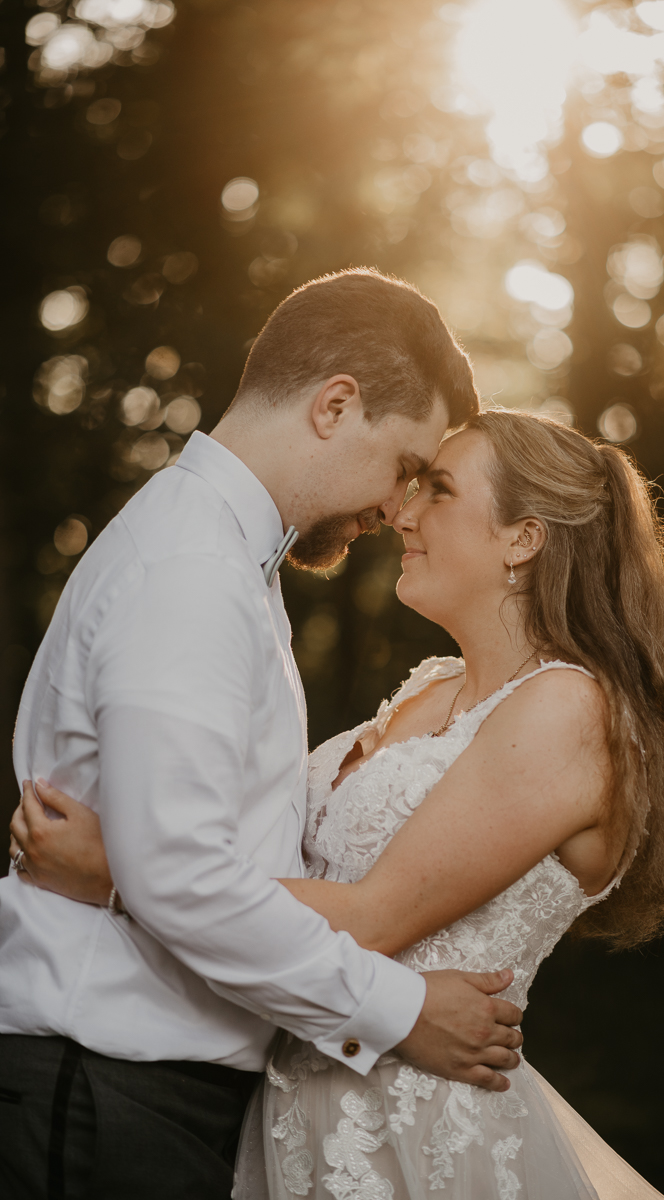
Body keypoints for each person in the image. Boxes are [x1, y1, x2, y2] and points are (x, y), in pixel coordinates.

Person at [10, 408, 664, 1198]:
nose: (401, 513)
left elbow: (372, 918)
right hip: (290, 1112)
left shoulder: (569, 710)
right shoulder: (431, 686)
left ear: (524, 537)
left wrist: (119, 868)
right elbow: (271, 861)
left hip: (414, 1135)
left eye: (437, 490)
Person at [0, 270, 527, 1200]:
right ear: (334, 406)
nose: (401, 509)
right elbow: (184, 876)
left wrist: (115, 872)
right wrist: (400, 1012)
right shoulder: (193, 568)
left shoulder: (230, 562)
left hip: (142, 1098)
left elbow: (185, 860)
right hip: (106, 1096)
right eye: (406, 466)